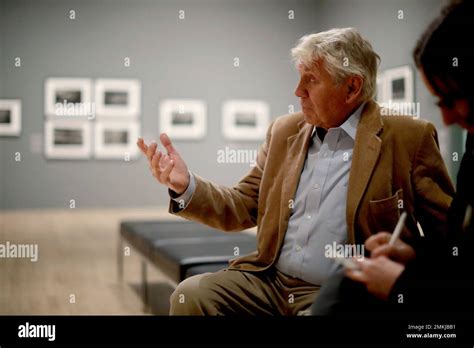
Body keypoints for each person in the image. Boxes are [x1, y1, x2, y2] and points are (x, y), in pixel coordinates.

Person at [137, 28, 454, 315]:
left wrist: (407, 260)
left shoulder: (409, 138)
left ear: (352, 87)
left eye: (311, 80)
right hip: (269, 280)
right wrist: (185, 185)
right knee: (190, 295)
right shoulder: (283, 131)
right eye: (299, 77)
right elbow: (242, 205)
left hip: (339, 293)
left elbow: (449, 237)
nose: (297, 91)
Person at [311, 0, 474, 315]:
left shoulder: (411, 136)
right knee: (344, 284)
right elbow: (456, 246)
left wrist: (402, 285)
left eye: (452, 99)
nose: (448, 118)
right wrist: (412, 253)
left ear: (352, 87)